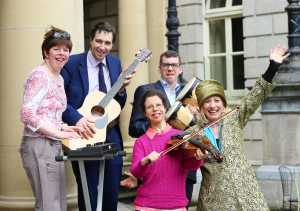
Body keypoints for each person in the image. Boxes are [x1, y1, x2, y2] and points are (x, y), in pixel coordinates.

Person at [195, 46, 288, 211]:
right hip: (215, 202)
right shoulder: (195, 133)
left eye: (217, 100)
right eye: (207, 102)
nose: (212, 106)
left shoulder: (234, 118)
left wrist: (272, 67)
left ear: (223, 103)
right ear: (201, 107)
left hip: (247, 193)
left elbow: (255, 96)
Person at [61, 22, 134, 211]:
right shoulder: (72, 63)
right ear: (90, 40)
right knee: (88, 188)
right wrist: (77, 119)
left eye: (107, 43)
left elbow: (116, 105)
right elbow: (60, 101)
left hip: (111, 132)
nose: (102, 47)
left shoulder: (115, 63)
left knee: (111, 187)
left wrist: (122, 90)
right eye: (98, 41)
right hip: (83, 132)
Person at [20, 26, 82, 211]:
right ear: (46, 52)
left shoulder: (58, 78)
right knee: (49, 206)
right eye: (57, 49)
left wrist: (66, 128)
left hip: (53, 143)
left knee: (57, 204)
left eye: (66, 49)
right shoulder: (40, 75)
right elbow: (27, 113)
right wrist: (58, 133)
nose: (62, 53)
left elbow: (50, 114)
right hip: (39, 144)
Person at [125, 50, 197, 206]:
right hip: (157, 165)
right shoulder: (145, 91)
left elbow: (197, 128)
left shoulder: (192, 93)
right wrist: (161, 121)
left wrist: (194, 118)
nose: (170, 68)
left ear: (180, 68)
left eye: (174, 65)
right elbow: (134, 128)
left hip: (183, 164)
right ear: (159, 68)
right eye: (166, 65)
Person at [130, 89, 205, 211]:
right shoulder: (141, 142)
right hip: (147, 205)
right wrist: (145, 161)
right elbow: (136, 172)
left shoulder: (181, 136)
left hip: (176, 205)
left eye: (158, 105)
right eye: (150, 107)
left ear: (165, 108)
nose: (155, 109)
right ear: (145, 113)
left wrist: (198, 158)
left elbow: (190, 165)